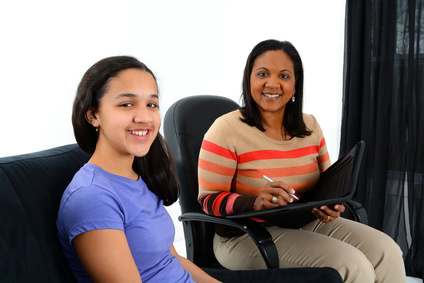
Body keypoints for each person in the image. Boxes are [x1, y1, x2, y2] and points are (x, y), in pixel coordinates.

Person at [197, 40, 406, 283]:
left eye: (284, 76)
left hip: (304, 223)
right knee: (352, 265)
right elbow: (208, 200)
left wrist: (331, 204)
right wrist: (255, 202)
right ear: (249, 79)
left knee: (387, 251)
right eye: (262, 74)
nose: (272, 83)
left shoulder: (310, 126)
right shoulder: (226, 128)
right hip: (246, 235)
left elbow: (328, 185)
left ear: (296, 85)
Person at [56, 56, 220, 283]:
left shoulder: (137, 176)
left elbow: (171, 259)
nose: (144, 117)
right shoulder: (92, 197)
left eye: (151, 105)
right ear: (94, 115)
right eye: (127, 104)